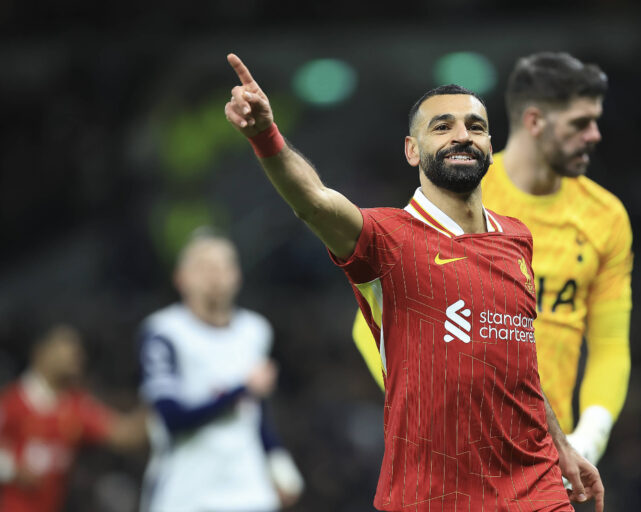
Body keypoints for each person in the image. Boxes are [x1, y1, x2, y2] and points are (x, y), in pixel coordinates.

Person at [224, 53, 603, 512]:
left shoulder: (518, 238)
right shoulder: (387, 238)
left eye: (475, 127)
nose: (462, 135)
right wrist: (265, 135)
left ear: (489, 144)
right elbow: (316, 203)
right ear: (411, 150)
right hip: (430, 497)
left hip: (535, 491)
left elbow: (518, 364)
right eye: (442, 127)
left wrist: (560, 443)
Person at [352, 52, 633, 466]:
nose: (594, 135)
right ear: (535, 122)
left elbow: (609, 345)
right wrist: (430, 415)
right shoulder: (460, 190)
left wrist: (588, 439)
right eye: (579, 123)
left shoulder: (606, 217)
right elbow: (371, 327)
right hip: (454, 451)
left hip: (547, 454)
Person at [138, 229, 304, 512]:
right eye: (203, 266)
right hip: (187, 494)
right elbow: (171, 419)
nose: (215, 275)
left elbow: (256, 413)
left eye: (224, 266)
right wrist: (241, 390)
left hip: (250, 493)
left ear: (237, 275)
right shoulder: (164, 332)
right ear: (181, 278)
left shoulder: (255, 330)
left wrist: (277, 460)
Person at [0, 324, 147, 512]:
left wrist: (158, 400)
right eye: (66, 347)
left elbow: (125, 435)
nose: (76, 356)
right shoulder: (11, 402)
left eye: (78, 350)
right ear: (41, 351)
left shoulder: (77, 406)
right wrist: (11, 470)